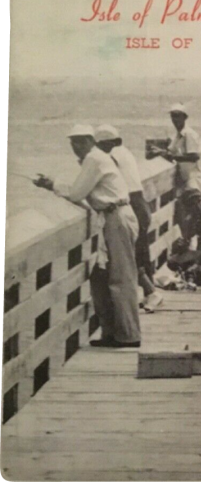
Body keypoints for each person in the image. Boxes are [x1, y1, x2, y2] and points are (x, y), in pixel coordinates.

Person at [35, 125, 142, 348]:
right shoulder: (97, 158)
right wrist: (53, 184)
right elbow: (80, 190)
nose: (75, 147)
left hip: (117, 217)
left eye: (79, 142)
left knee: (121, 278)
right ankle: (113, 333)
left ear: (89, 141)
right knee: (104, 276)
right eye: (72, 142)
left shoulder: (94, 159)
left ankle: (129, 335)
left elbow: (76, 193)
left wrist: (51, 185)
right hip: (113, 217)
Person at [95, 125, 164, 313]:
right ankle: (149, 293)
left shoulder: (112, 156)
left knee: (130, 256)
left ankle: (151, 293)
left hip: (131, 205)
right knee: (139, 253)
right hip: (140, 203)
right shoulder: (125, 152)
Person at [157, 104, 201, 239]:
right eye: (173, 116)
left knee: (195, 213)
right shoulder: (177, 135)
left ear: (185, 117)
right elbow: (171, 151)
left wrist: (173, 157)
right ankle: (188, 242)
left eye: (178, 116)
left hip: (192, 179)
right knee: (184, 215)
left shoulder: (189, 134)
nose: (175, 119)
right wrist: (160, 152)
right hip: (183, 179)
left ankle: (199, 242)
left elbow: (194, 156)